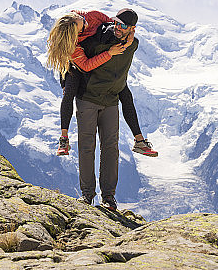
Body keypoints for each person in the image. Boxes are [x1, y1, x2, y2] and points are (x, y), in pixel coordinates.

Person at [46, 9, 157, 158]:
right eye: (82, 27)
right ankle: (64, 139)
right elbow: (85, 65)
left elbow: (112, 24)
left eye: (82, 20)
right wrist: (109, 53)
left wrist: (128, 38)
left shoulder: (91, 16)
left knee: (124, 92)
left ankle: (139, 141)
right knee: (69, 93)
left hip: (95, 57)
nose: (85, 24)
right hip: (76, 63)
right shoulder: (73, 43)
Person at [73, 9, 141, 208]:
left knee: (111, 148)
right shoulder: (98, 37)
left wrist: (126, 43)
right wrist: (109, 52)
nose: (118, 28)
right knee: (87, 147)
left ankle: (108, 197)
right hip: (87, 98)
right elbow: (84, 61)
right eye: (116, 23)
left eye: (123, 26)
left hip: (111, 101)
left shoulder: (132, 45)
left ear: (132, 29)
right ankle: (87, 195)